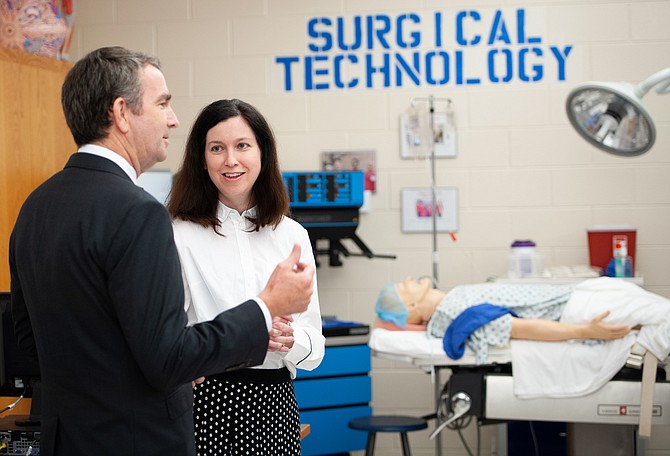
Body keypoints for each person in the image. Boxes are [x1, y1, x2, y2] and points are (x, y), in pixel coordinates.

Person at [8, 47, 314, 456]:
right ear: (121, 113)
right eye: (163, 103)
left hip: (69, 438)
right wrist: (266, 306)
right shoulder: (139, 213)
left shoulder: (35, 206)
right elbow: (167, 358)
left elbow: (29, 341)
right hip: (136, 438)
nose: (172, 119)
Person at [167, 99, 325, 455]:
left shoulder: (293, 235)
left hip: (277, 405)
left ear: (262, 153)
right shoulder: (177, 235)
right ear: (201, 158)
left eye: (242, 146)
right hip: (208, 406)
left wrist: (292, 339)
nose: (231, 160)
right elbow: (168, 337)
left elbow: (315, 349)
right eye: (217, 148)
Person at [375, 277, 633, 363]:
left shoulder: (452, 302)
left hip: (579, 297)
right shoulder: (455, 315)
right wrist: (585, 331)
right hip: (578, 311)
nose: (409, 278)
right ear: (410, 305)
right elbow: (521, 329)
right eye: (402, 284)